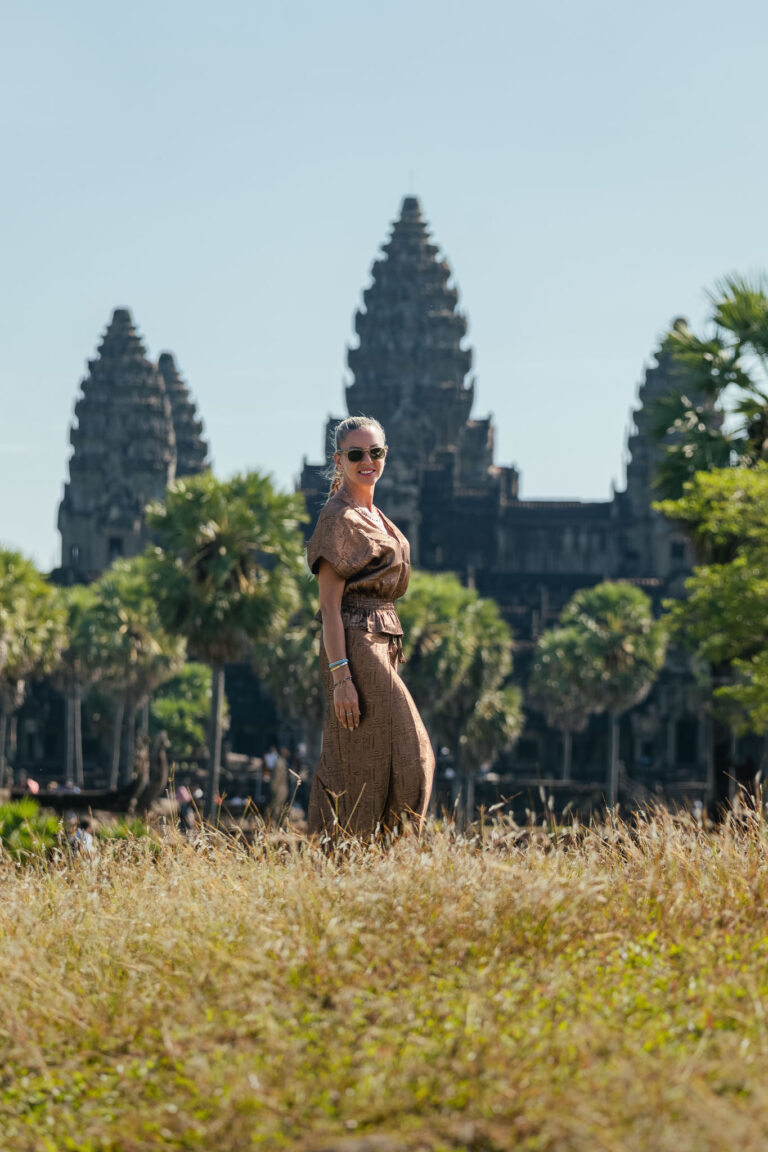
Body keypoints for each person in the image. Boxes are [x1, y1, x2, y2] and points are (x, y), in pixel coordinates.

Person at [306, 415, 434, 837]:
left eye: (375, 453)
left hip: (385, 641)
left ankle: (375, 859)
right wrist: (341, 676)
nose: (367, 461)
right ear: (338, 459)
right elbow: (328, 607)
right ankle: (346, 850)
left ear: (385, 457)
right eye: (356, 454)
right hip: (356, 642)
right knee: (410, 755)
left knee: (377, 758)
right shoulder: (338, 516)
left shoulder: (376, 515)